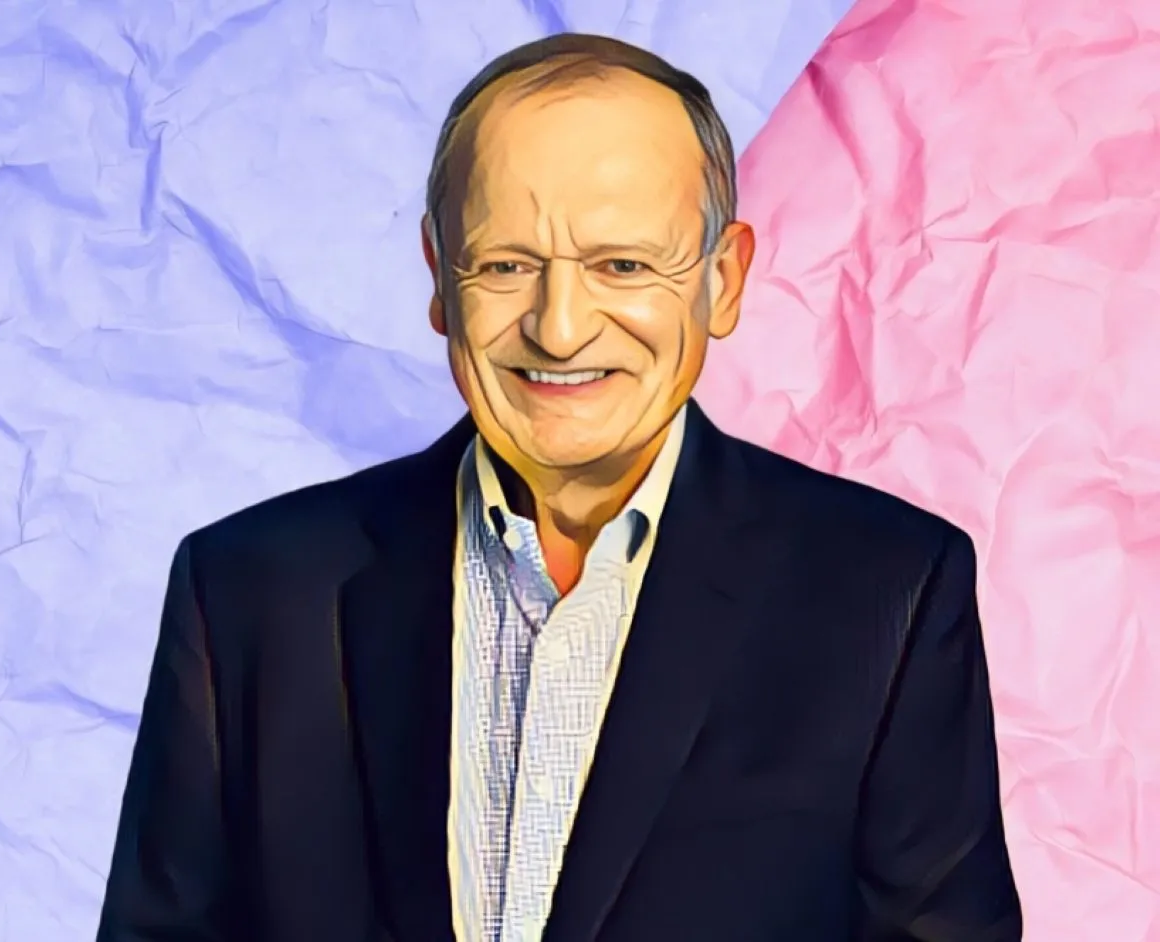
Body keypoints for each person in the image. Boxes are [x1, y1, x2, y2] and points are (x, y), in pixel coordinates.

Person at [96, 33, 1022, 942]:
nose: (560, 327)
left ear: (723, 279)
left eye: (623, 265)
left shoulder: (886, 593)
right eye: (506, 265)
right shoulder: (250, 593)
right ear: (439, 277)